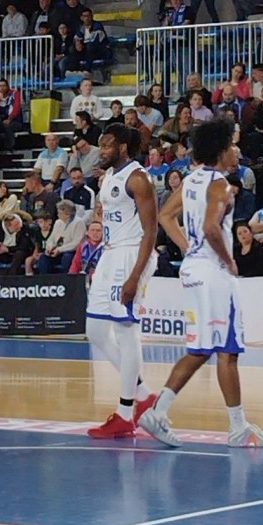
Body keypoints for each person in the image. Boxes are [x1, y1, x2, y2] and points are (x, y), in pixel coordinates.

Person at [141, 118, 263, 448]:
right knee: (228, 351)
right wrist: (229, 261)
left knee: (203, 349)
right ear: (220, 150)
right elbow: (212, 227)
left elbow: (165, 217)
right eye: (232, 146)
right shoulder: (220, 185)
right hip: (214, 274)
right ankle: (236, 427)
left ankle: (159, 413)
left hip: (194, 270)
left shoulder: (189, 181)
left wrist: (189, 248)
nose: (236, 150)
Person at [85, 124, 160, 439]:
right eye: (101, 145)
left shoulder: (138, 178)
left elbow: (151, 231)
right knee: (96, 331)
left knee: (126, 333)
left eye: (108, 145)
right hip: (110, 253)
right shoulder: (109, 177)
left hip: (132, 255)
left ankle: (126, 412)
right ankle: (144, 396)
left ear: (124, 147)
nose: (102, 150)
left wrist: (135, 275)